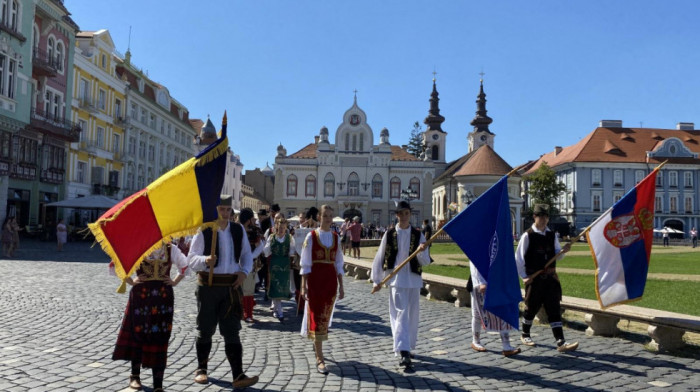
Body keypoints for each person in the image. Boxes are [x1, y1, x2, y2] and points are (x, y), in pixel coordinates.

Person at [187, 195, 259, 389]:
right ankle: (201, 369)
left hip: (230, 287)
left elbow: (246, 256)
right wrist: (205, 261)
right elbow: (191, 259)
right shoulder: (205, 230)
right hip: (209, 286)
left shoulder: (238, 230)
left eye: (228, 210)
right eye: (222, 210)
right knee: (205, 329)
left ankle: (238, 374)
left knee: (232, 330)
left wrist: (244, 273)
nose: (225, 214)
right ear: (215, 210)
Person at [112, 241, 188, 392]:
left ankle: (158, 384)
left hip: (163, 298)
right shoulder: (138, 246)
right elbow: (117, 262)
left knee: (161, 336)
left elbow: (185, 265)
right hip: (141, 296)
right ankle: (135, 375)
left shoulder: (170, 248)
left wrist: (175, 281)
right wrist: (130, 281)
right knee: (137, 334)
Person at [371, 200, 430, 369]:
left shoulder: (418, 235)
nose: (404, 217)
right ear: (396, 215)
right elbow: (380, 256)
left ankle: (408, 346)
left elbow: (425, 261)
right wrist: (377, 280)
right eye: (401, 214)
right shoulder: (389, 234)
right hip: (396, 280)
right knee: (400, 313)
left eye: (407, 214)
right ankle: (403, 351)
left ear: (410, 215)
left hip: (413, 280)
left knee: (412, 315)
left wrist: (422, 250)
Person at [515, 204, 578, 352]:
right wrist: (524, 277)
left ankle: (561, 342)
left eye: (545, 217)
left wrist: (564, 251)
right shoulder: (528, 235)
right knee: (531, 307)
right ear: (534, 217)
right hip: (534, 278)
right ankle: (525, 334)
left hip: (550, 278)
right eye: (540, 217)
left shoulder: (552, 235)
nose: (543, 220)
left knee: (554, 307)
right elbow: (518, 259)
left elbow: (558, 255)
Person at [300, 204, 345, 375]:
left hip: (330, 283)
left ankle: (317, 347)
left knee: (324, 317)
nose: (328, 219)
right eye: (325, 215)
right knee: (316, 317)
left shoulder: (336, 237)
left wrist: (342, 285)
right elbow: (305, 263)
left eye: (330, 216)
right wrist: (303, 286)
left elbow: (339, 263)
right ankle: (320, 357)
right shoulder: (311, 237)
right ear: (319, 217)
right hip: (315, 282)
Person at [468, 261, 520, 357]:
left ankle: (506, 346)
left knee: (502, 313)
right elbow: (474, 261)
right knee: (477, 314)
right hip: (479, 283)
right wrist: (481, 282)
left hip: (497, 281)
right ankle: (475, 341)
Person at [263, 214, 296, 321]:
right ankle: (279, 311)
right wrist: (266, 247)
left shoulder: (289, 238)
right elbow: (266, 252)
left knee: (281, 288)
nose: (281, 229)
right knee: (275, 286)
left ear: (286, 227)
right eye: (280, 227)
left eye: (283, 227)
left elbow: (292, 252)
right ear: (276, 227)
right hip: (275, 264)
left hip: (285, 265)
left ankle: (277, 310)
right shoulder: (272, 237)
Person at [239, 208, 265, 323]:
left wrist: (251, 256)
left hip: (249, 264)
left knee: (248, 289)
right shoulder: (236, 229)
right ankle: (241, 311)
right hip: (236, 263)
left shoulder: (254, 231)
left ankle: (248, 313)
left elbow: (260, 246)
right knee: (239, 289)